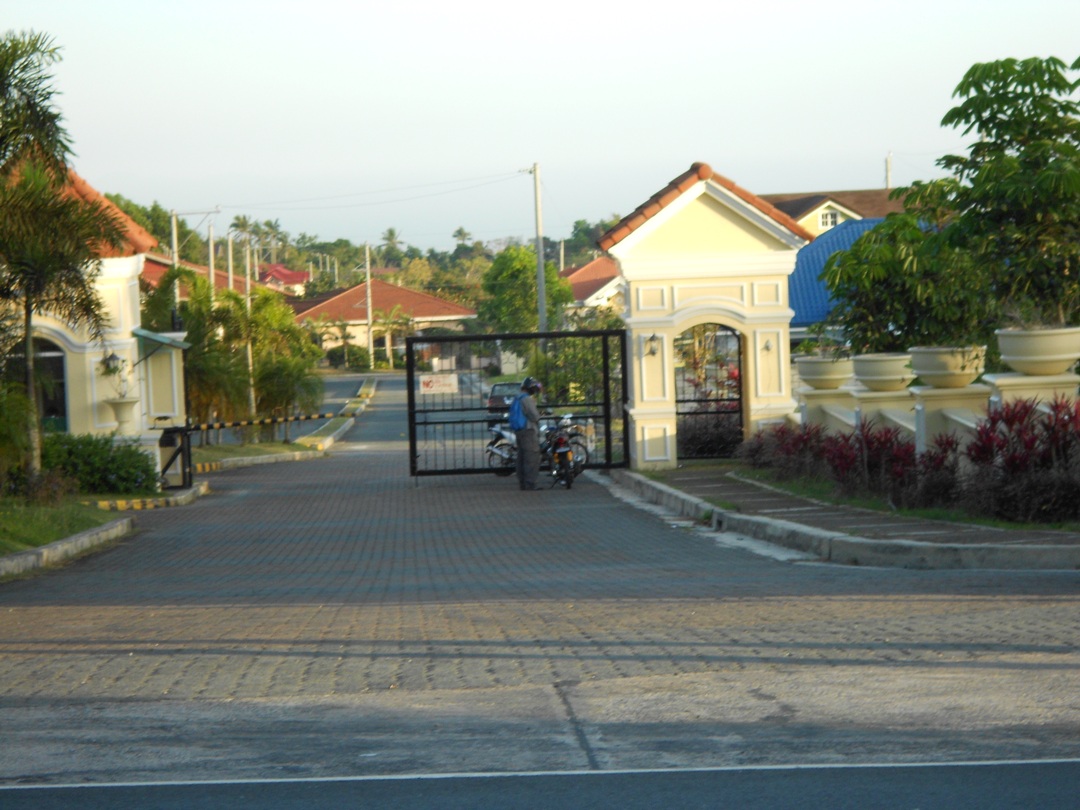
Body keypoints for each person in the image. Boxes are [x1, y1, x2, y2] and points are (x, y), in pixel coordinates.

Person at [515, 376, 543, 490]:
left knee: (521, 457)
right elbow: (534, 416)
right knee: (531, 457)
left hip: (519, 430)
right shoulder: (527, 399)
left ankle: (522, 482)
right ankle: (530, 483)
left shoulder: (517, 397)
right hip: (528, 431)